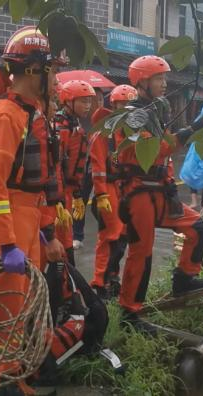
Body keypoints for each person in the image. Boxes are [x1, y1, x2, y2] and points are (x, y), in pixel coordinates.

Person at [0, 27, 73, 396]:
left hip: (26, 225)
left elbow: (38, 187)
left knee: (17, 311)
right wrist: (7, 244)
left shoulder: (33, 115)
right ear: (32, 71)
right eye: (52, 71)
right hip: (5, 229)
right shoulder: (6, 117)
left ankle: (10, 381)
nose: (56, 79)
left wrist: (47, 235)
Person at [115, 55, 203, 330]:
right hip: (139, 193)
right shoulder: (132, 117)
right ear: (143, 82)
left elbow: (165, 155)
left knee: (199, 229)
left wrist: (170, 182)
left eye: (164, 78)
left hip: (160, 191)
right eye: (159, 78)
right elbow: (156, 150)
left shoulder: (157, 112)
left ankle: (184, 280)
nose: (164, 83)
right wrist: (190, 130)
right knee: (141, 253)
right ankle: (129, 313)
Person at [88, 84, 138, 298]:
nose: (127, 108)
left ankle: (112, 277)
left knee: (123, 236)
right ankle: (100, 282)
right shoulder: (104, 132)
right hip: (108, 189)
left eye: (131, 104)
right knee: (110, 237)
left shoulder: (126, 131)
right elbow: (98, 166)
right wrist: (101, 195)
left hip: (122, 187)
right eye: (123, 104)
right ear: (114, 104)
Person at [52, 79, 96, 267]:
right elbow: (56, 165)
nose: (88, 106)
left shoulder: (75, 125)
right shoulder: (61, 127)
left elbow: (76, 165)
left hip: (69, 190)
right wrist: (60, 199)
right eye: (83, 101)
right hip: (59, 194)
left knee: (66, 240)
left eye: (89, 101)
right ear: (69, 101)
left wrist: (78, 193)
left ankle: (66, 287)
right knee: (61, 242)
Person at [72, 88, 105, 250]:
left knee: (100, 202)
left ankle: (107, 230)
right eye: (94, 100)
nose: (98, 103)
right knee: (81, 200)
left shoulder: (104, 119)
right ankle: (77, 235)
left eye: (101, 99)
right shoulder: (80, 120)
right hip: (84, 168)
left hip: (100, 168)